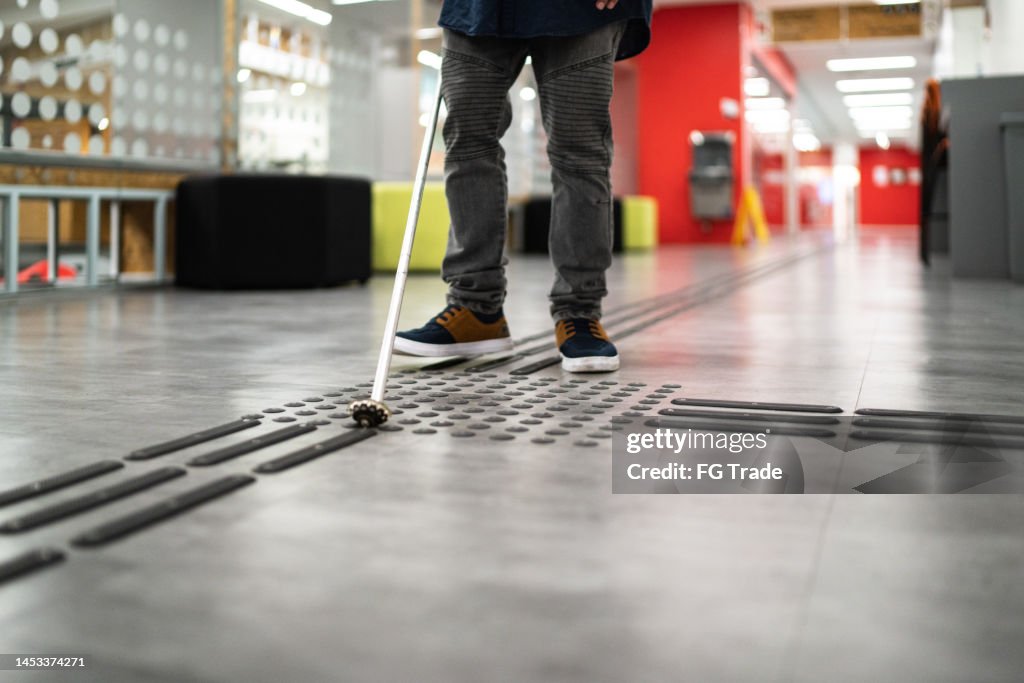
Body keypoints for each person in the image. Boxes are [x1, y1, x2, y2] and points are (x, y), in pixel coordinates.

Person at [395, 0, 653, 373]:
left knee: (579, 152)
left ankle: (579, 312)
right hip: (478, 8)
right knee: (467, 142)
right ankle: (475, 309)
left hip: (582, 11)